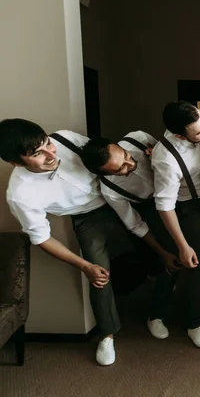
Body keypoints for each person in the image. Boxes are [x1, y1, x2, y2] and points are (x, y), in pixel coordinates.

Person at [0, 119, 133, 366]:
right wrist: (84, 266)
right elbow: (42, 238)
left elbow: (103, 155)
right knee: (99, 273)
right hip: (87, 217)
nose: (51, 154)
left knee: (158, 241)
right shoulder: (20, 194)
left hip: (117, 191)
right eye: (38, 154)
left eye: (47, 144)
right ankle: (107, 334)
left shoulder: (64, 138)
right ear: (16, 163)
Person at [79, 131, 181, 339]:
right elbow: (135, 225)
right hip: (150, 207)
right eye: (121, 170)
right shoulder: (110, 191)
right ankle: (156, 315)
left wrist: (157, 155)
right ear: (104, 173)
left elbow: (171, 152)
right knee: (169, 259)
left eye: (126, 156)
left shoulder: (138, 137)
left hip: (179, 191)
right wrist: (162, 253)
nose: (130, 165)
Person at [151, 102, 200, 349]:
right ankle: (193, 324)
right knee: (184, 263)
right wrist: (183, 245)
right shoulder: (166, 159)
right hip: (184, 208)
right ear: (179, 135)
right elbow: (164, 206)